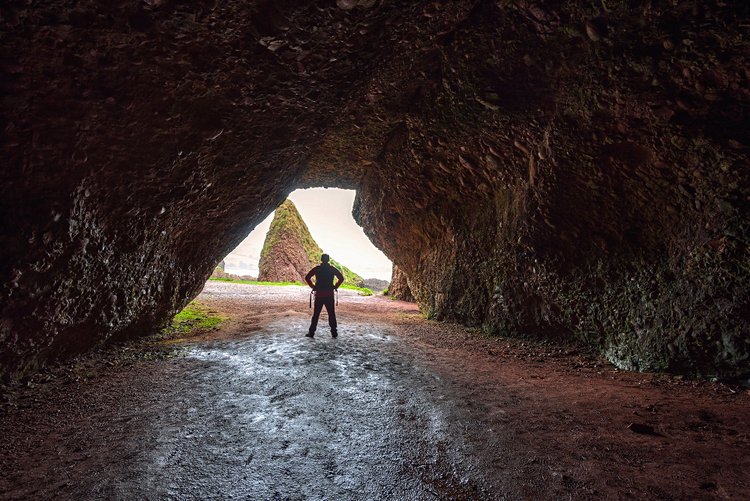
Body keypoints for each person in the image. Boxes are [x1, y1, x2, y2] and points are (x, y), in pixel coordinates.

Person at [305, 254, 344, 338]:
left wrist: (313, 286)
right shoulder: (332, 269)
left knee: (316, 315)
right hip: (329, 295)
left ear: (321, 259)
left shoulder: (317, 269)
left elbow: (307, 277)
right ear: (328, 260)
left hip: (319, 294)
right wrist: (335, 286)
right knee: (331, 314)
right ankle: (334, 333)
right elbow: (341, 278)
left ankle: (311, 333)